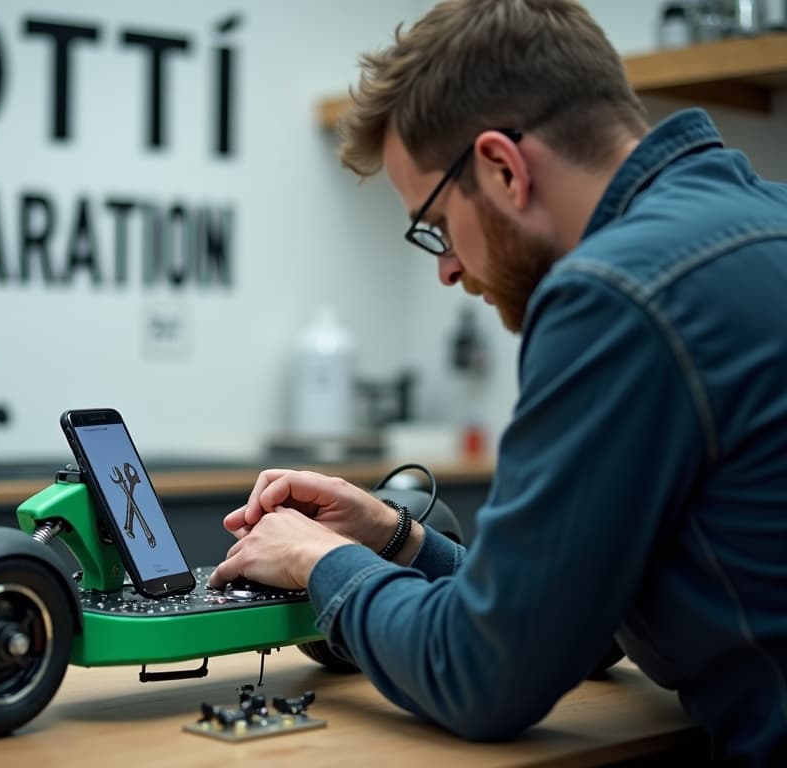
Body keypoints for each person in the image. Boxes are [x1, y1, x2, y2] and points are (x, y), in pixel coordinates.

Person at [207, 0, 787, 764]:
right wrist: (396, 538)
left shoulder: (615, 295)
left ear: (504, 168)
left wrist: (317, 562)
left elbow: (483, 675)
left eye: (438, 227)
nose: (446, 270)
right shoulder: (759, 219)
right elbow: (570, 622)